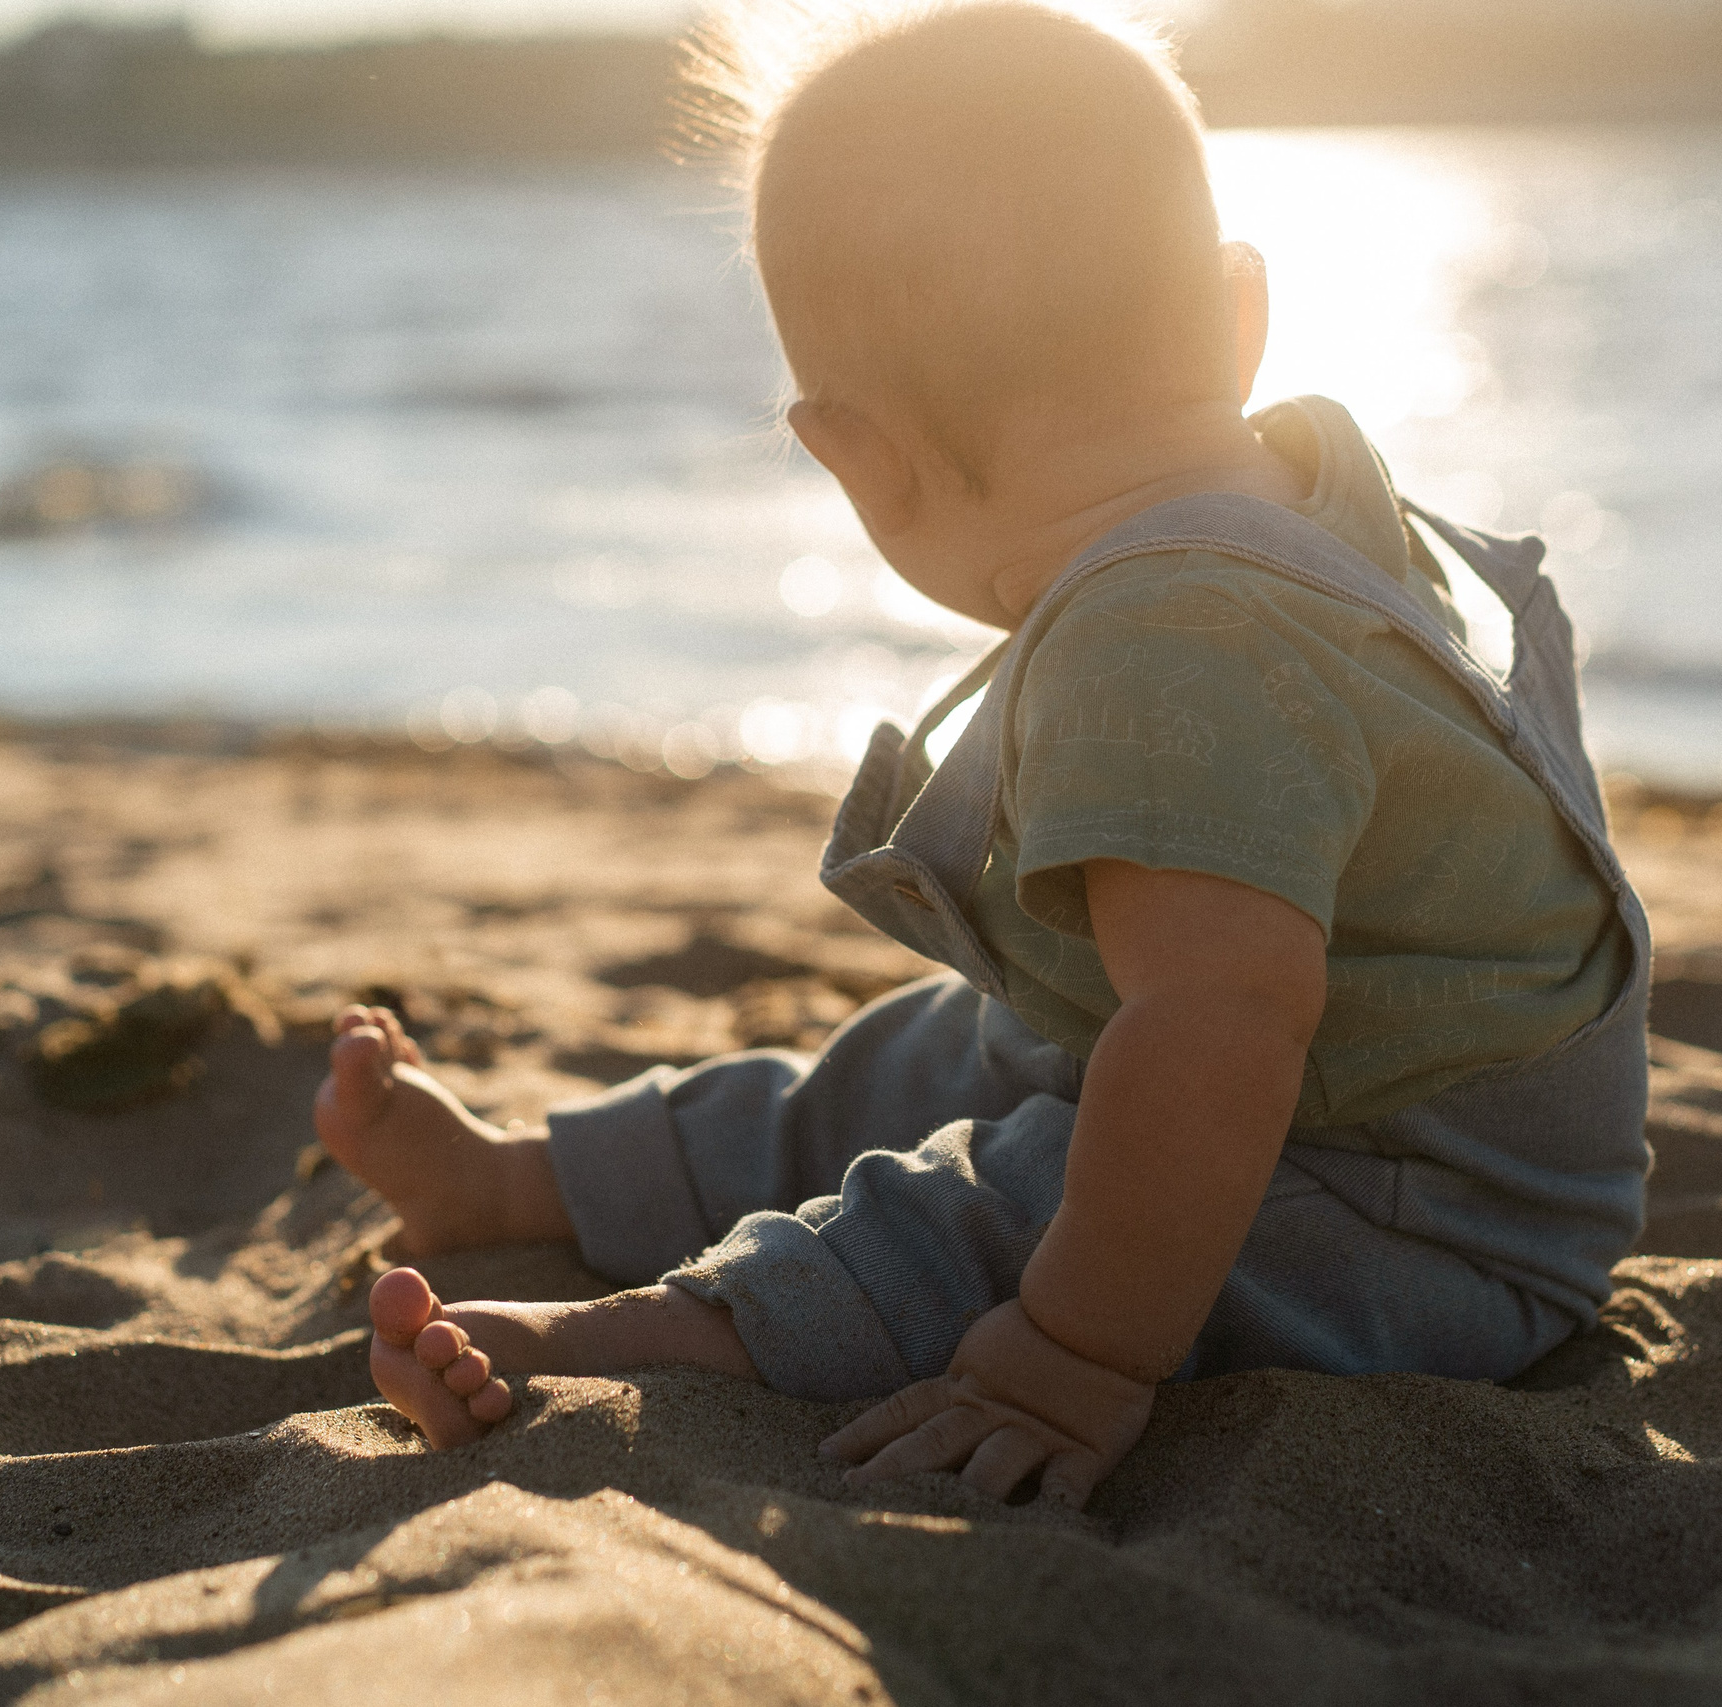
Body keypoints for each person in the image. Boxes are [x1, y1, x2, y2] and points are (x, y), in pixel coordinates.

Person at [313, 0, 1650, 1509]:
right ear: (1239, 317)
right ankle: (529, 1180)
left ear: (853, 454)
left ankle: (653, 1333)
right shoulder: (1316, 501)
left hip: (1413, 1220)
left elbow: (1219, 1038)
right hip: (1452, 1134)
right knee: (929, 1055)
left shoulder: (1157, 635)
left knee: (996, 1201)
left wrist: (1077, 1354)